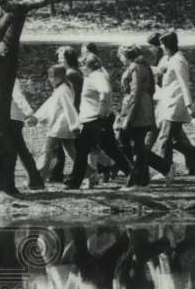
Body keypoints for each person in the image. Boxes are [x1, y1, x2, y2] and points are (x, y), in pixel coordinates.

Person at [65, 53, 132, 189]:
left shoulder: (96, 76)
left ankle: (74, 182)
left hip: (95, 120)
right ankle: (133, 174)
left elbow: (105, 91)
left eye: (82, 65)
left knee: (82, 149)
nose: (80, 68)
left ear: (87, 66)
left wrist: (102, 106)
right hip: (96, 119)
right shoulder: (93, 76)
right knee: (110, 148)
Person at [154, 30, 195, 179]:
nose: (160, 48)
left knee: (164, 139)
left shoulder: (179, 60)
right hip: (167, 103)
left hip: (175, 104)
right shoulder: (169, 59)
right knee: (175, 140)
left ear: (166, 45)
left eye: (161, 45)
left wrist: (189, 105)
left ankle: (165, 169)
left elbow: (184, 83)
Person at [0, 47, 45, 193]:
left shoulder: (9, 80)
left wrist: (28, 113)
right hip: (10, 118)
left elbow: (18, 98)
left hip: (11, 119)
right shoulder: (2, 79)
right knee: (20, 149)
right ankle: (35, 180)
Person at [115, 44, 164, 188]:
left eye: (121, 56)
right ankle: (142, 179)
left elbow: (134, 93)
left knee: (134, 145)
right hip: (142, 108)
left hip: (137, 110)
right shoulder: (143, 66)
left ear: (126, 55)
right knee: (137, 145)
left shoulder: (136, 67)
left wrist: (128, 118)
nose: (120, 59)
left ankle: (135, 180)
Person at [33, 64, 80, 182]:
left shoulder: (64, 89)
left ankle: (39, 178)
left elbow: (70, 108)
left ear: (60, 76)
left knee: (47, 151)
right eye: (49, 76)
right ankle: (89, 173)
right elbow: (48, 105)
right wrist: (36, 117)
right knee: (72, 152)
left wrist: (75, 126)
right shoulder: (60, 89)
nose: (50, 79)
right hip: (61, 126)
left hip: (60, 126)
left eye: (52, 76)